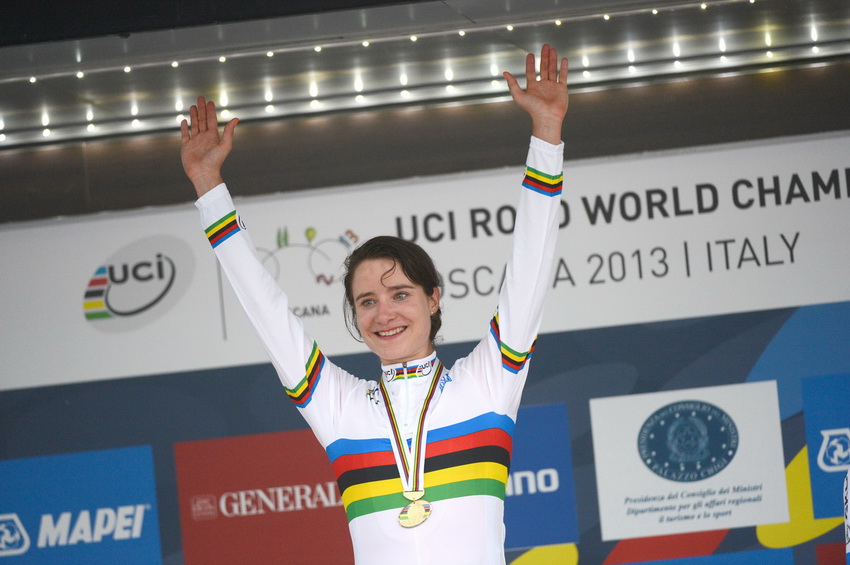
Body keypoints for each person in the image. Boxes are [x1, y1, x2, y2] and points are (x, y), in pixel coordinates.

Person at [181, 44, 568, 564]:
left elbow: (530, 271)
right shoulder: (338, 406)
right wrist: (208, 186)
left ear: (433, 299)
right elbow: (264, 307)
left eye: (400, 294)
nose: (384, 313)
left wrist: (547, 132)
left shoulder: (488, 382)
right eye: (367, 301)